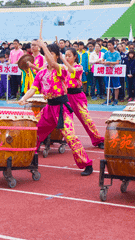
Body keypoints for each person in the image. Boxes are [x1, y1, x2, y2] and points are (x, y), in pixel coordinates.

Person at [19, 41, 94, 176]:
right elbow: (33, 88)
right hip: (49, 108)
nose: (48, 56)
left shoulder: (61, 68)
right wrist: (24, 98)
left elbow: (53, 64)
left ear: (56, 56)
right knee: (34, 131)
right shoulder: (41, 73)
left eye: (51, 53)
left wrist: (43, 46)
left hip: (62, 109)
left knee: (70, 137)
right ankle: (28, 158)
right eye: (47, 54)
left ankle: (87, 164)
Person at [63, 47, 104, 149]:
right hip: (65, 97)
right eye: (65, 56)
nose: (67, 58)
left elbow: (71, 70)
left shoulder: (79, 67)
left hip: (77, 97)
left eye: (69, 56)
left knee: (86, 119)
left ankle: (98, 140)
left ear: (75, 56)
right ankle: (67, 140)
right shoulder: (62, 68)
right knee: (66, 121)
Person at [101, 40, 121, 105]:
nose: (109, 46)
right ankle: (108, 99)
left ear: (113, 45)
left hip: (115, 72)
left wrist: (110, 63)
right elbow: (102, 61)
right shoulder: (106, 53)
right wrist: (105, 63)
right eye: (108, 45)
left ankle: (115, 99)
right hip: (107, 72)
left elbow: (117, 62)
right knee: (108, 86)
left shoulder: (117, 53)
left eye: (110, 45)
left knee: (116, 86)